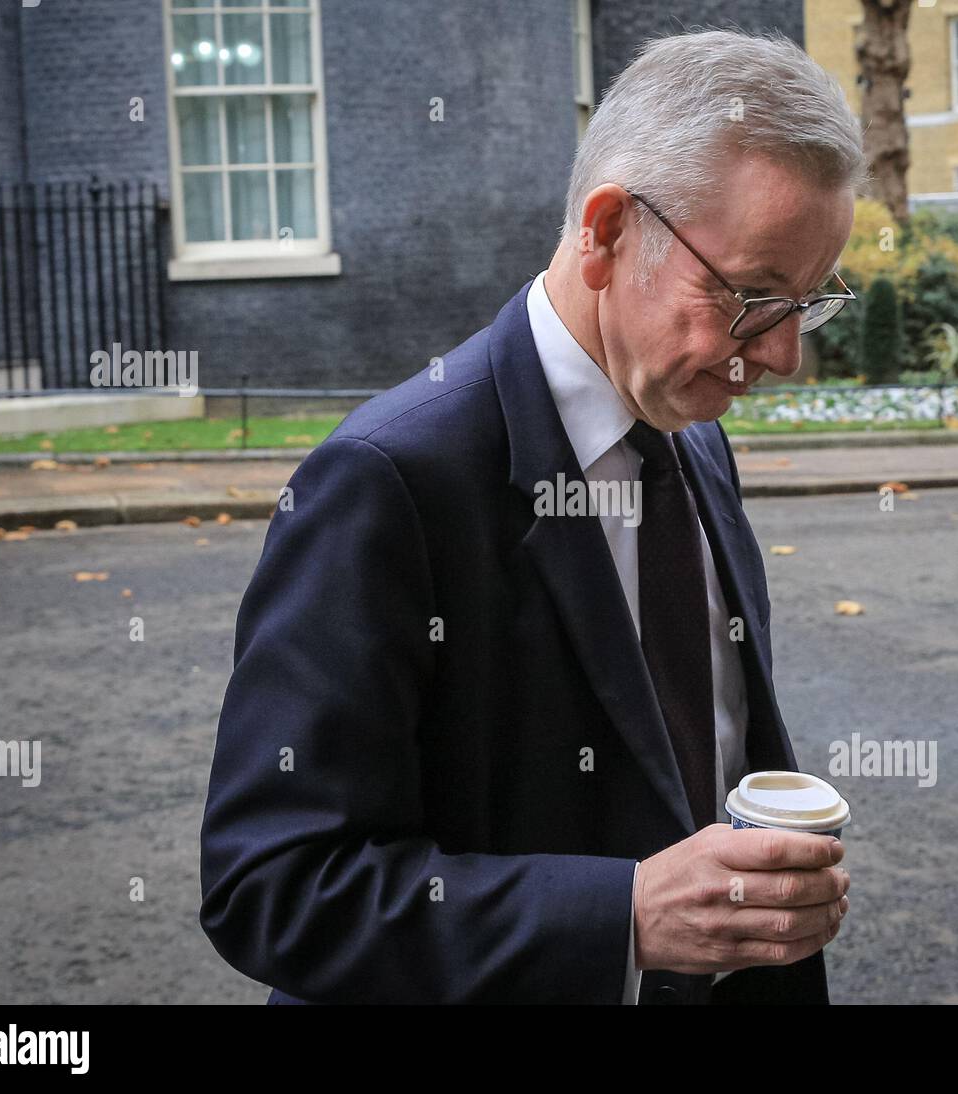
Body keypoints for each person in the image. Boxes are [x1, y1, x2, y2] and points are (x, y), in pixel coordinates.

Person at [199, 27, 863, 1005]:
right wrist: (622, 919)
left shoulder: (692, 432)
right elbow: (273, 882)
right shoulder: (385, 480)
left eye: (810, 302)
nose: (781, 356)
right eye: (752, 296)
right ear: (605, 233)